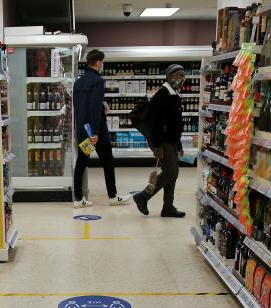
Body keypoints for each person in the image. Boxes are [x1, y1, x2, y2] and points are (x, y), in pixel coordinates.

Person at [72, 49, 130, 209]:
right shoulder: (97, 81)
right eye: (102, 62)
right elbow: (93, 108)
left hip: (83, 130)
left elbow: (81, 107)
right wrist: (95, 133)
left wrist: (100, 106)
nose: (102, 65)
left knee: (81, 163)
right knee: (108, 161)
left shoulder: (78, 82)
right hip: (97, 132)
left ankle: (78, 199)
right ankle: (113, 196)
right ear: (98, 62)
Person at [133, 64, 187, 218]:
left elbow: (175, 124)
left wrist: (179, 145)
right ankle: (143, 196)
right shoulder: (163, 94)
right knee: (171, 171)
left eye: (183, 75)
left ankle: (168, 207)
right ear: (169, 77)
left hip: (170, 140)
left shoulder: (174, 94)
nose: (181, 78)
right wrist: (157, 146)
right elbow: (156, 122)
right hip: (161, 140)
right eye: (178, 75)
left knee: (173, 173)